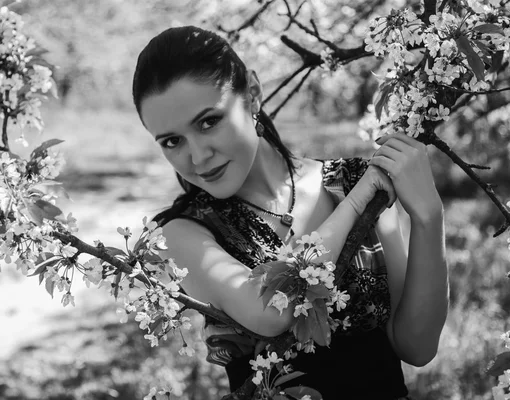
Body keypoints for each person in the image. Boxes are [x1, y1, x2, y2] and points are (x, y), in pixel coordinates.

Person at [132, 25, 448, 400]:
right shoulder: (180, 234)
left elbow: (416, 346)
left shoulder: (352, 181)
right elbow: (271, 313)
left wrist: (429, 217)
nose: (198, 156)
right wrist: (355, 204)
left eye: (208, 121)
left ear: (252, 94)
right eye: (172, 141)